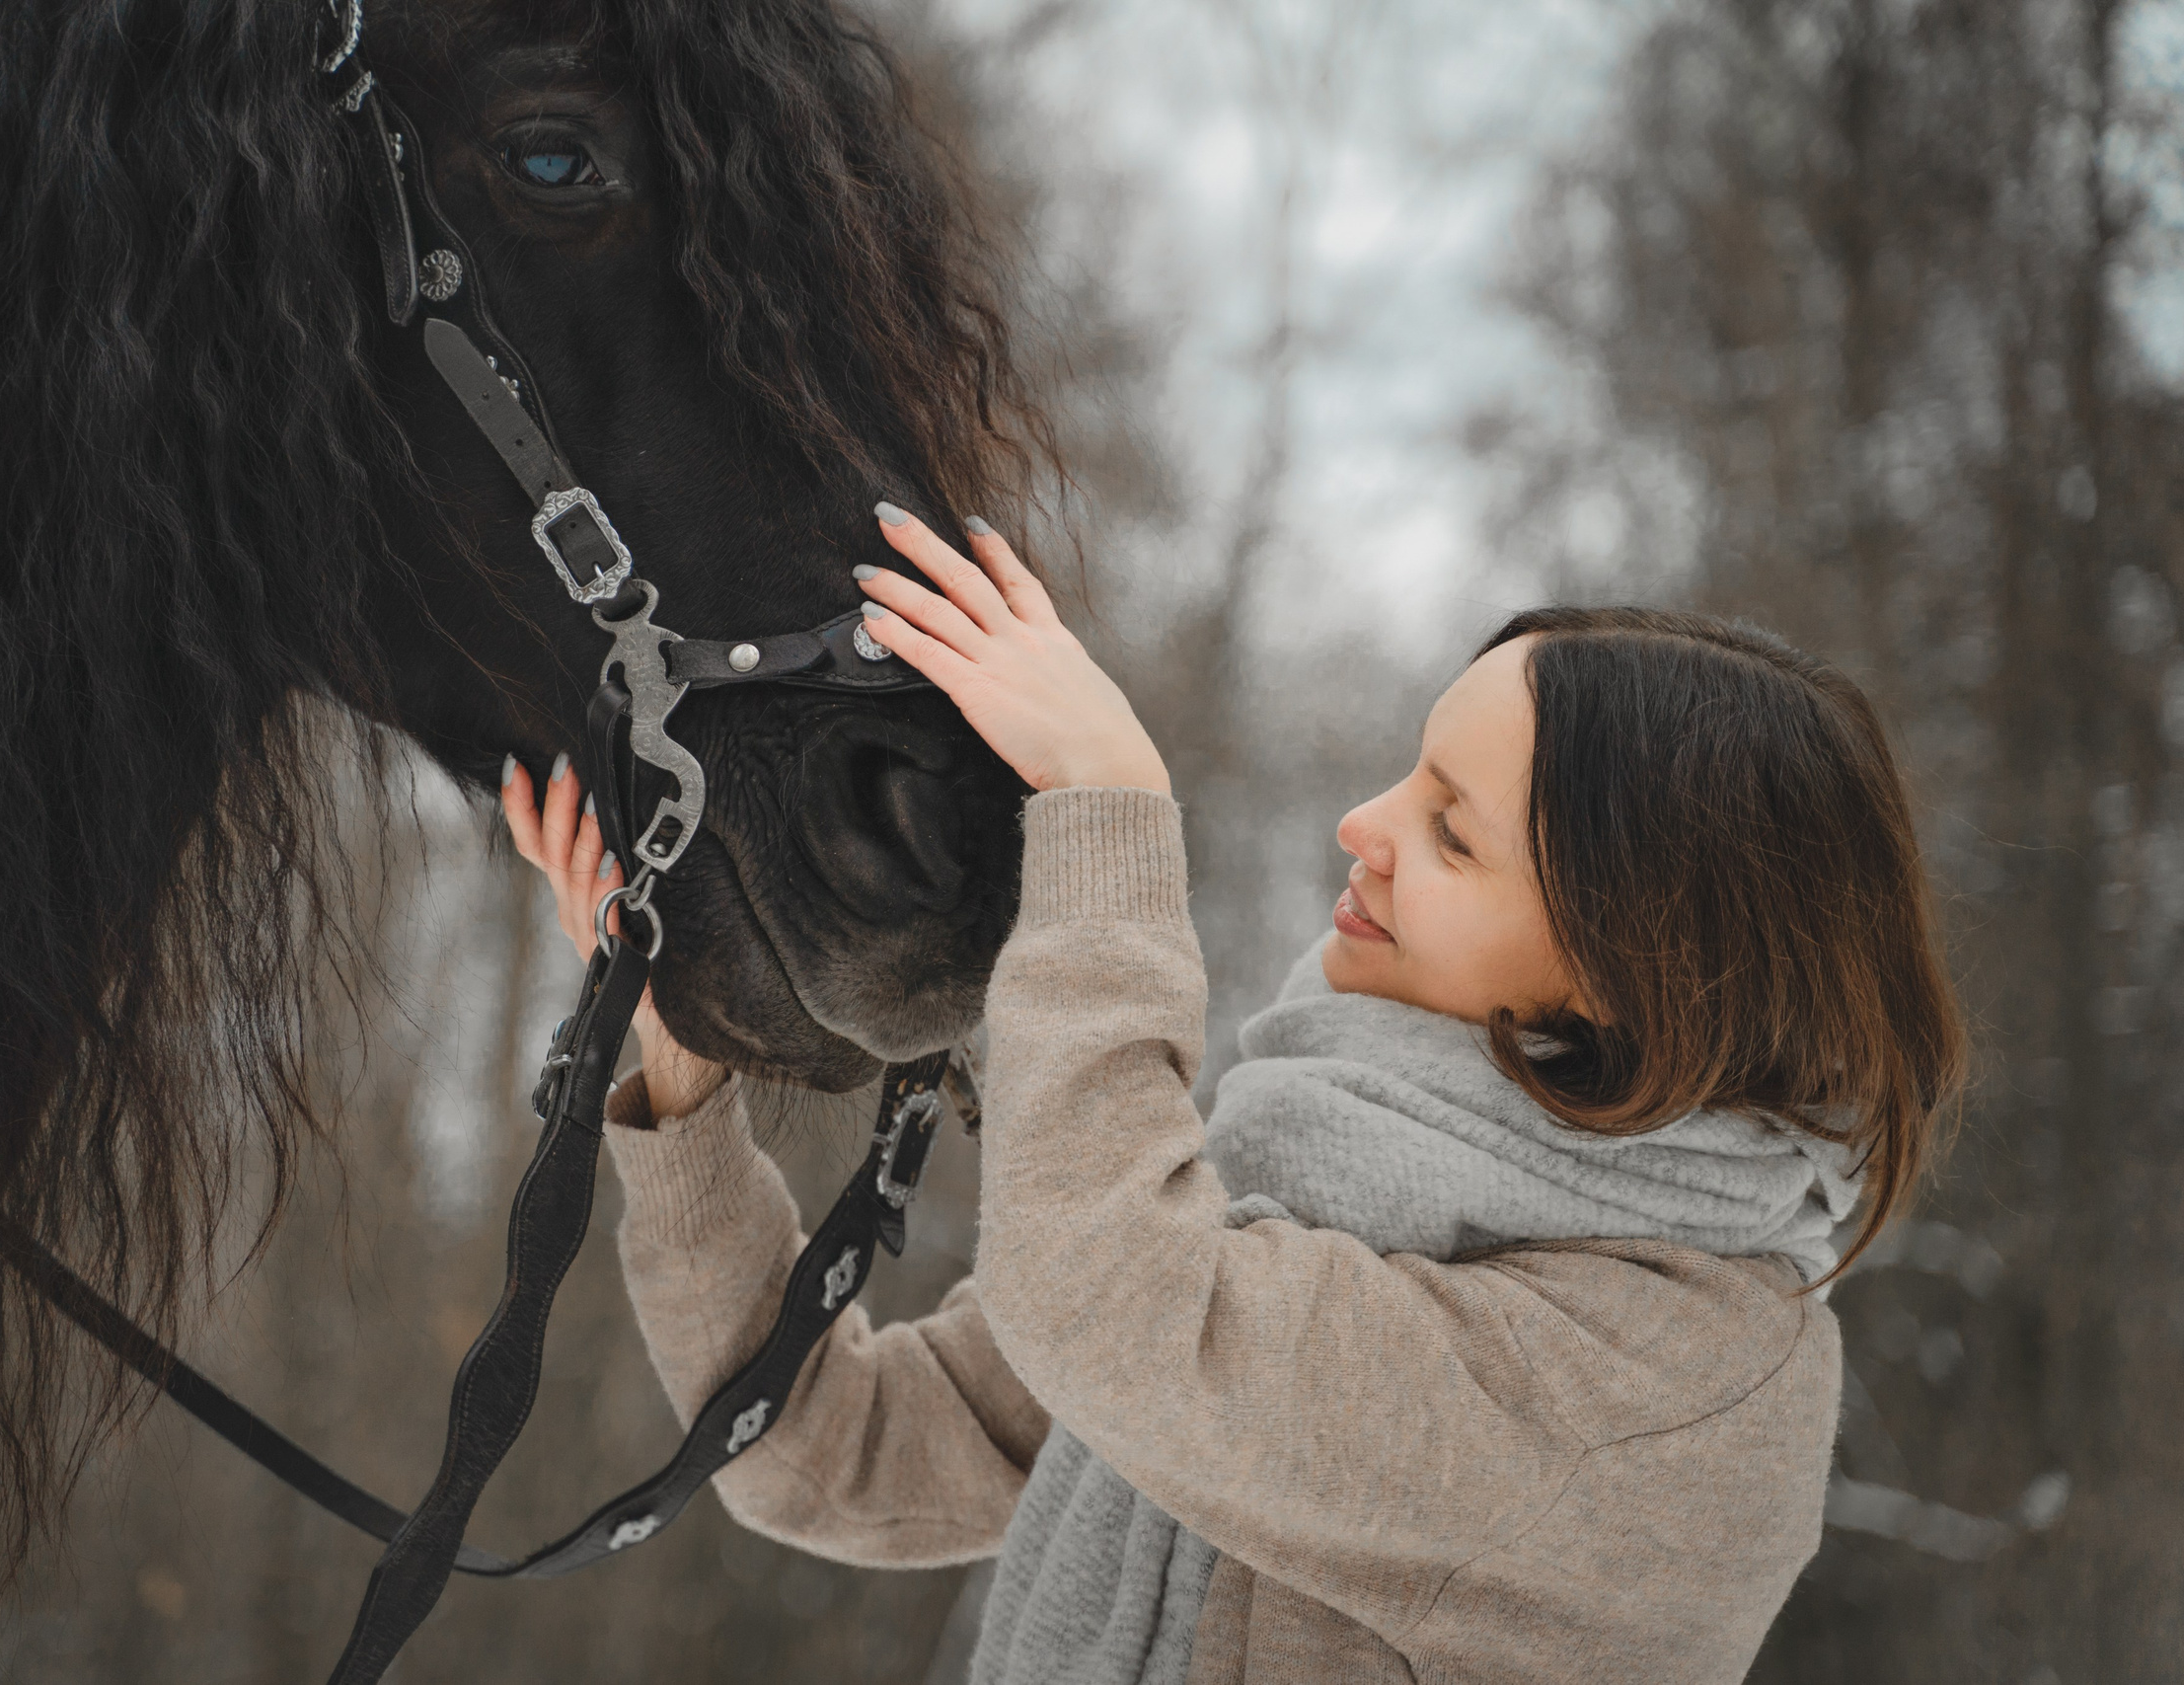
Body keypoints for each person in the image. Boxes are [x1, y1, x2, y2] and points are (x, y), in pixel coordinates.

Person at [498, 507, 1964, 1684]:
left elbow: (1123, 1313)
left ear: (1623, 973)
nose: (1366, 827)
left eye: (1452, 834)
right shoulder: (1309, 1188)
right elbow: (831, 1453)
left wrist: (1103, 809)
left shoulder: (1664, 1394)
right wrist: (688, 1079)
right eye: (1412, 776)